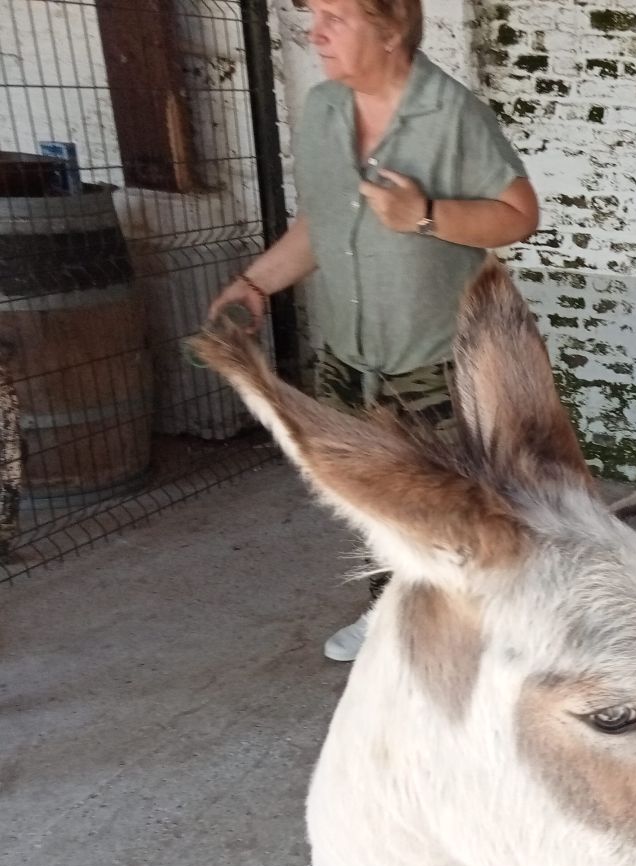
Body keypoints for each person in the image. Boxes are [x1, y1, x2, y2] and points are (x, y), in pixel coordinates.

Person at [207, 0, 537, 661]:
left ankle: (480, 638)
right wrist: (257, 282)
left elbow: (518, 215)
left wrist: (423, 214)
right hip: (349, 360)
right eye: (314, 16)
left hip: (437, 363)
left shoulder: (452, 115)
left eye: (336, 16)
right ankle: (391, 617)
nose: (316, 33)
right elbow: (320, 226)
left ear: (389, 30)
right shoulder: (325, 112)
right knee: (377, 504)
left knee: (456, 513)